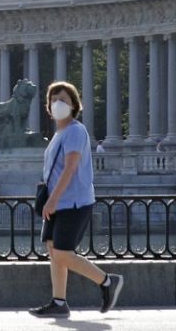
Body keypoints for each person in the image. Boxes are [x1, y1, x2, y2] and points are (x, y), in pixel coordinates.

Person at [31, 81, 124, 318]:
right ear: (48, 107)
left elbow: (70, 167)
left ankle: (106, 281)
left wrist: (53, 200)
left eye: (63, 99)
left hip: (73, 201)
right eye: (53, 100)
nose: (57, 103)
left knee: (62, 252)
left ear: (74, 105)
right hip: (59, 201)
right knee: (53, 250)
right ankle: (59, 301)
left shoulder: (74, 130)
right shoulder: (58, 134)